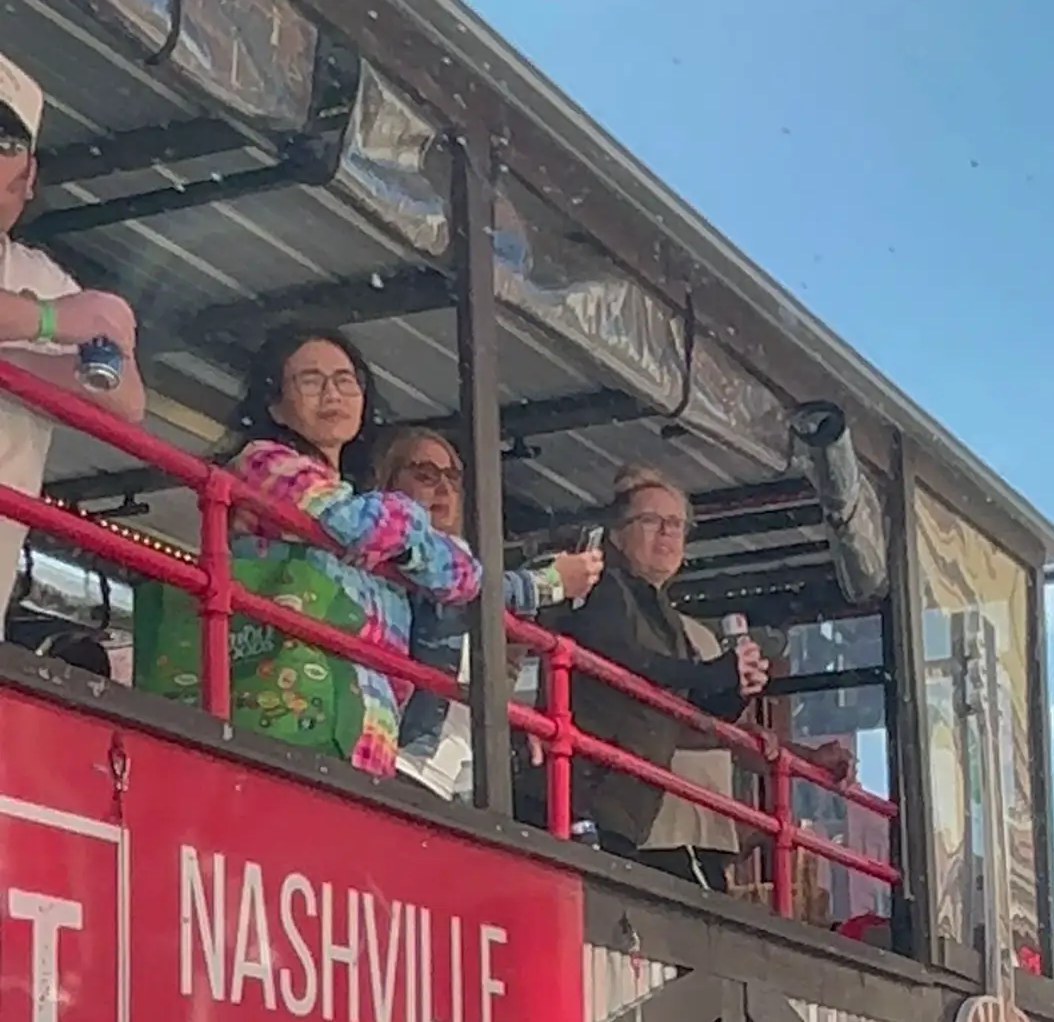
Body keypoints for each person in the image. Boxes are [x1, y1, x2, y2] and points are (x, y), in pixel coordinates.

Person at [132, 328, 481, 775]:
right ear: (276, 405)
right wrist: (411, 529)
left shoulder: (362, 497)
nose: (332, 393)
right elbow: (350, 525)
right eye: (311, 381)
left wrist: (398, 531)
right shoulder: (262, 462)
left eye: (345, 380)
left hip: (366, 735)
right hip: (279, 723)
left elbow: (465, 576)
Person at [526, 464, 769, 887]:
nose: (668, 533)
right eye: (652, 521)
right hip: (576, 801)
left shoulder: (665, 614)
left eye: (677, 524)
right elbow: (624, 661)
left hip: (622, 809)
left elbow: (690, 702)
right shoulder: (600, 582)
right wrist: (713, 673)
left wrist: (736, 686)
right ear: (617, 532)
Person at [368, 425, 601, 798]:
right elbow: (469, 597)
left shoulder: (461, 557)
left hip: (447, 773)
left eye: (453, 477)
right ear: (388, 482)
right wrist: (550, 582)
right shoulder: (399, 542)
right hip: (403, 756)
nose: (443, 487)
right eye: (425, 475)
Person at [0, 50, 145, 636]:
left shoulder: (41, 276)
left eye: (1, 139)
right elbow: (65, 322)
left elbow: (127, 401)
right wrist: (54, 323)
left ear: (29, 174)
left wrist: (23, 351)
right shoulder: (53, 297)